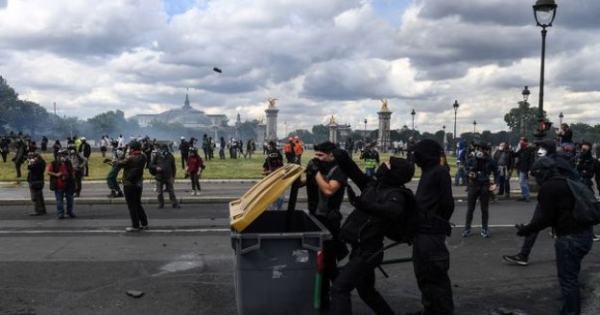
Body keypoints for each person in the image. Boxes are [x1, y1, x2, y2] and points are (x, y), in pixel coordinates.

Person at [330, 150, 415, 315]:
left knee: (339, 288)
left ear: (394, 172)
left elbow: (392, 211)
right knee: (367, 292)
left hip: (369, 251)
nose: (383, 165)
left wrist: (363, 205)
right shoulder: (374, 185)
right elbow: (353, 171)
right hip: (360, 248)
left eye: (388, 164)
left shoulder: (397, 194)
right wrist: (339, 154)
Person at [515, 157, 594, 315]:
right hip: (585, 235)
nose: (536, 180)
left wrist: (526, 230)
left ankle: (571, 311)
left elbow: (545, 219)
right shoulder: (569, 182)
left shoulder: (549, 188)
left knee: (568, 281)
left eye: (536, 175)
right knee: (572, 277)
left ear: (542, 173)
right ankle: (569, 308)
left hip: (569, 239)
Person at [409, 139, 455, 315]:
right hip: (424, 232)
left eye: (417, 153)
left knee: (435, 278)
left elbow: (447, 204)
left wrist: (436, 222)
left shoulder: (439, 172)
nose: (414, 157)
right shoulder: (429, 172)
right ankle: (430, 309)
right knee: (424, 275)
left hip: (431, 232)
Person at [312, 141, 348, 310]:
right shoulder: (324, 170)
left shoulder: (338, 170)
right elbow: (302, 183)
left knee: (330, 264)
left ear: (331, 155)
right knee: (325, 264)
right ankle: (327, 298)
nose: (316, 158)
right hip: (320, 219)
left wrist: (316, 173)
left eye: (320, 155)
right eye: (316, 154)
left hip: (331, 221)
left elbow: (328, 190)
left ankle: (339, 298)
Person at [464, 143, 498, 238]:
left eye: (483, 149)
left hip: (484, 185)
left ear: (487, 151)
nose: (480, 151)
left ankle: (484, 228)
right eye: (479, 149)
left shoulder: (491, 161)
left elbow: (497, 173)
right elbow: (465, 168)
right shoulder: (472, 159)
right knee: (470, 208)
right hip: (473, 185)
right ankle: (467, 228)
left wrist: (495, 184)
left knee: (484, 209)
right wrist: (469, 173)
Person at [116, 140, 148, 232]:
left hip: (129, 183)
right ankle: (144, 223)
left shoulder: (130, 158)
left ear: (133, 148)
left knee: (132, 206)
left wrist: (124, 152)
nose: (129, 149)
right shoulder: (143, 156)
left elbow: (118, 163)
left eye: (130, 147)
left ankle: (135, 225)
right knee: (138, 204)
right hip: (138, 183)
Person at [47, 149, 76, 219]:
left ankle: (69, 212)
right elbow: (48, 171)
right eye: (62, 155)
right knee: (59, 200)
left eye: (65, 155)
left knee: (70, 199)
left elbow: (72, 172)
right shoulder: (53, 163)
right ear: (58, 156)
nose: (64, 157)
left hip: (68, 184)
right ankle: (61, 213)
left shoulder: (68, 163)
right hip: (59, 184)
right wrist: (56, 174)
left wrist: (73, 178)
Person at [150, 144, 180, 209]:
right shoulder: (157, 156)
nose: (164, 151)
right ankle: (161, 204)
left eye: (165, 149)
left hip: (168, 176)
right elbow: (151, 165)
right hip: (159, 176)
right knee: (159, 192)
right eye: (163, 149)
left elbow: (173, 167)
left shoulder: (170, 156)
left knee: (171, 191)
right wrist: (156, 167)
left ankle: (174, 203)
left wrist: (173, 177)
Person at [262, 141, 284, 210]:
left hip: (270, 175)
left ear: (270, 146)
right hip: (278, 175)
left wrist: (265, 172)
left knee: (270, 192)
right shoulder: (279, 153)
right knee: (279, 192)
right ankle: (278, 207)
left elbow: (265, 166)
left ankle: (272, 208)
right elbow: (281, 165)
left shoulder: (269, 153)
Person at [515, 137, 536, 202]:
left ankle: (526, 196)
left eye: (521, 140)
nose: (520, 142)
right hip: (520, 167)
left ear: (525, 142)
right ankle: (525, 196)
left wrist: (530, 169)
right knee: (524, 183)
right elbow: (516, 154)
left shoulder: (529, 150)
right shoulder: (521, 149)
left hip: (525, 168)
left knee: (522, 182)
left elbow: (531, 160)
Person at [27, 152, 46, 216]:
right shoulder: (42, 162)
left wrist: (30, 162)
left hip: (34, 181)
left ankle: (38, 210)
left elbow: (30, 167)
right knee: (40, 196)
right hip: (40, 180)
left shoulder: (36, 163)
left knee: (35, 197)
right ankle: (43, 209)